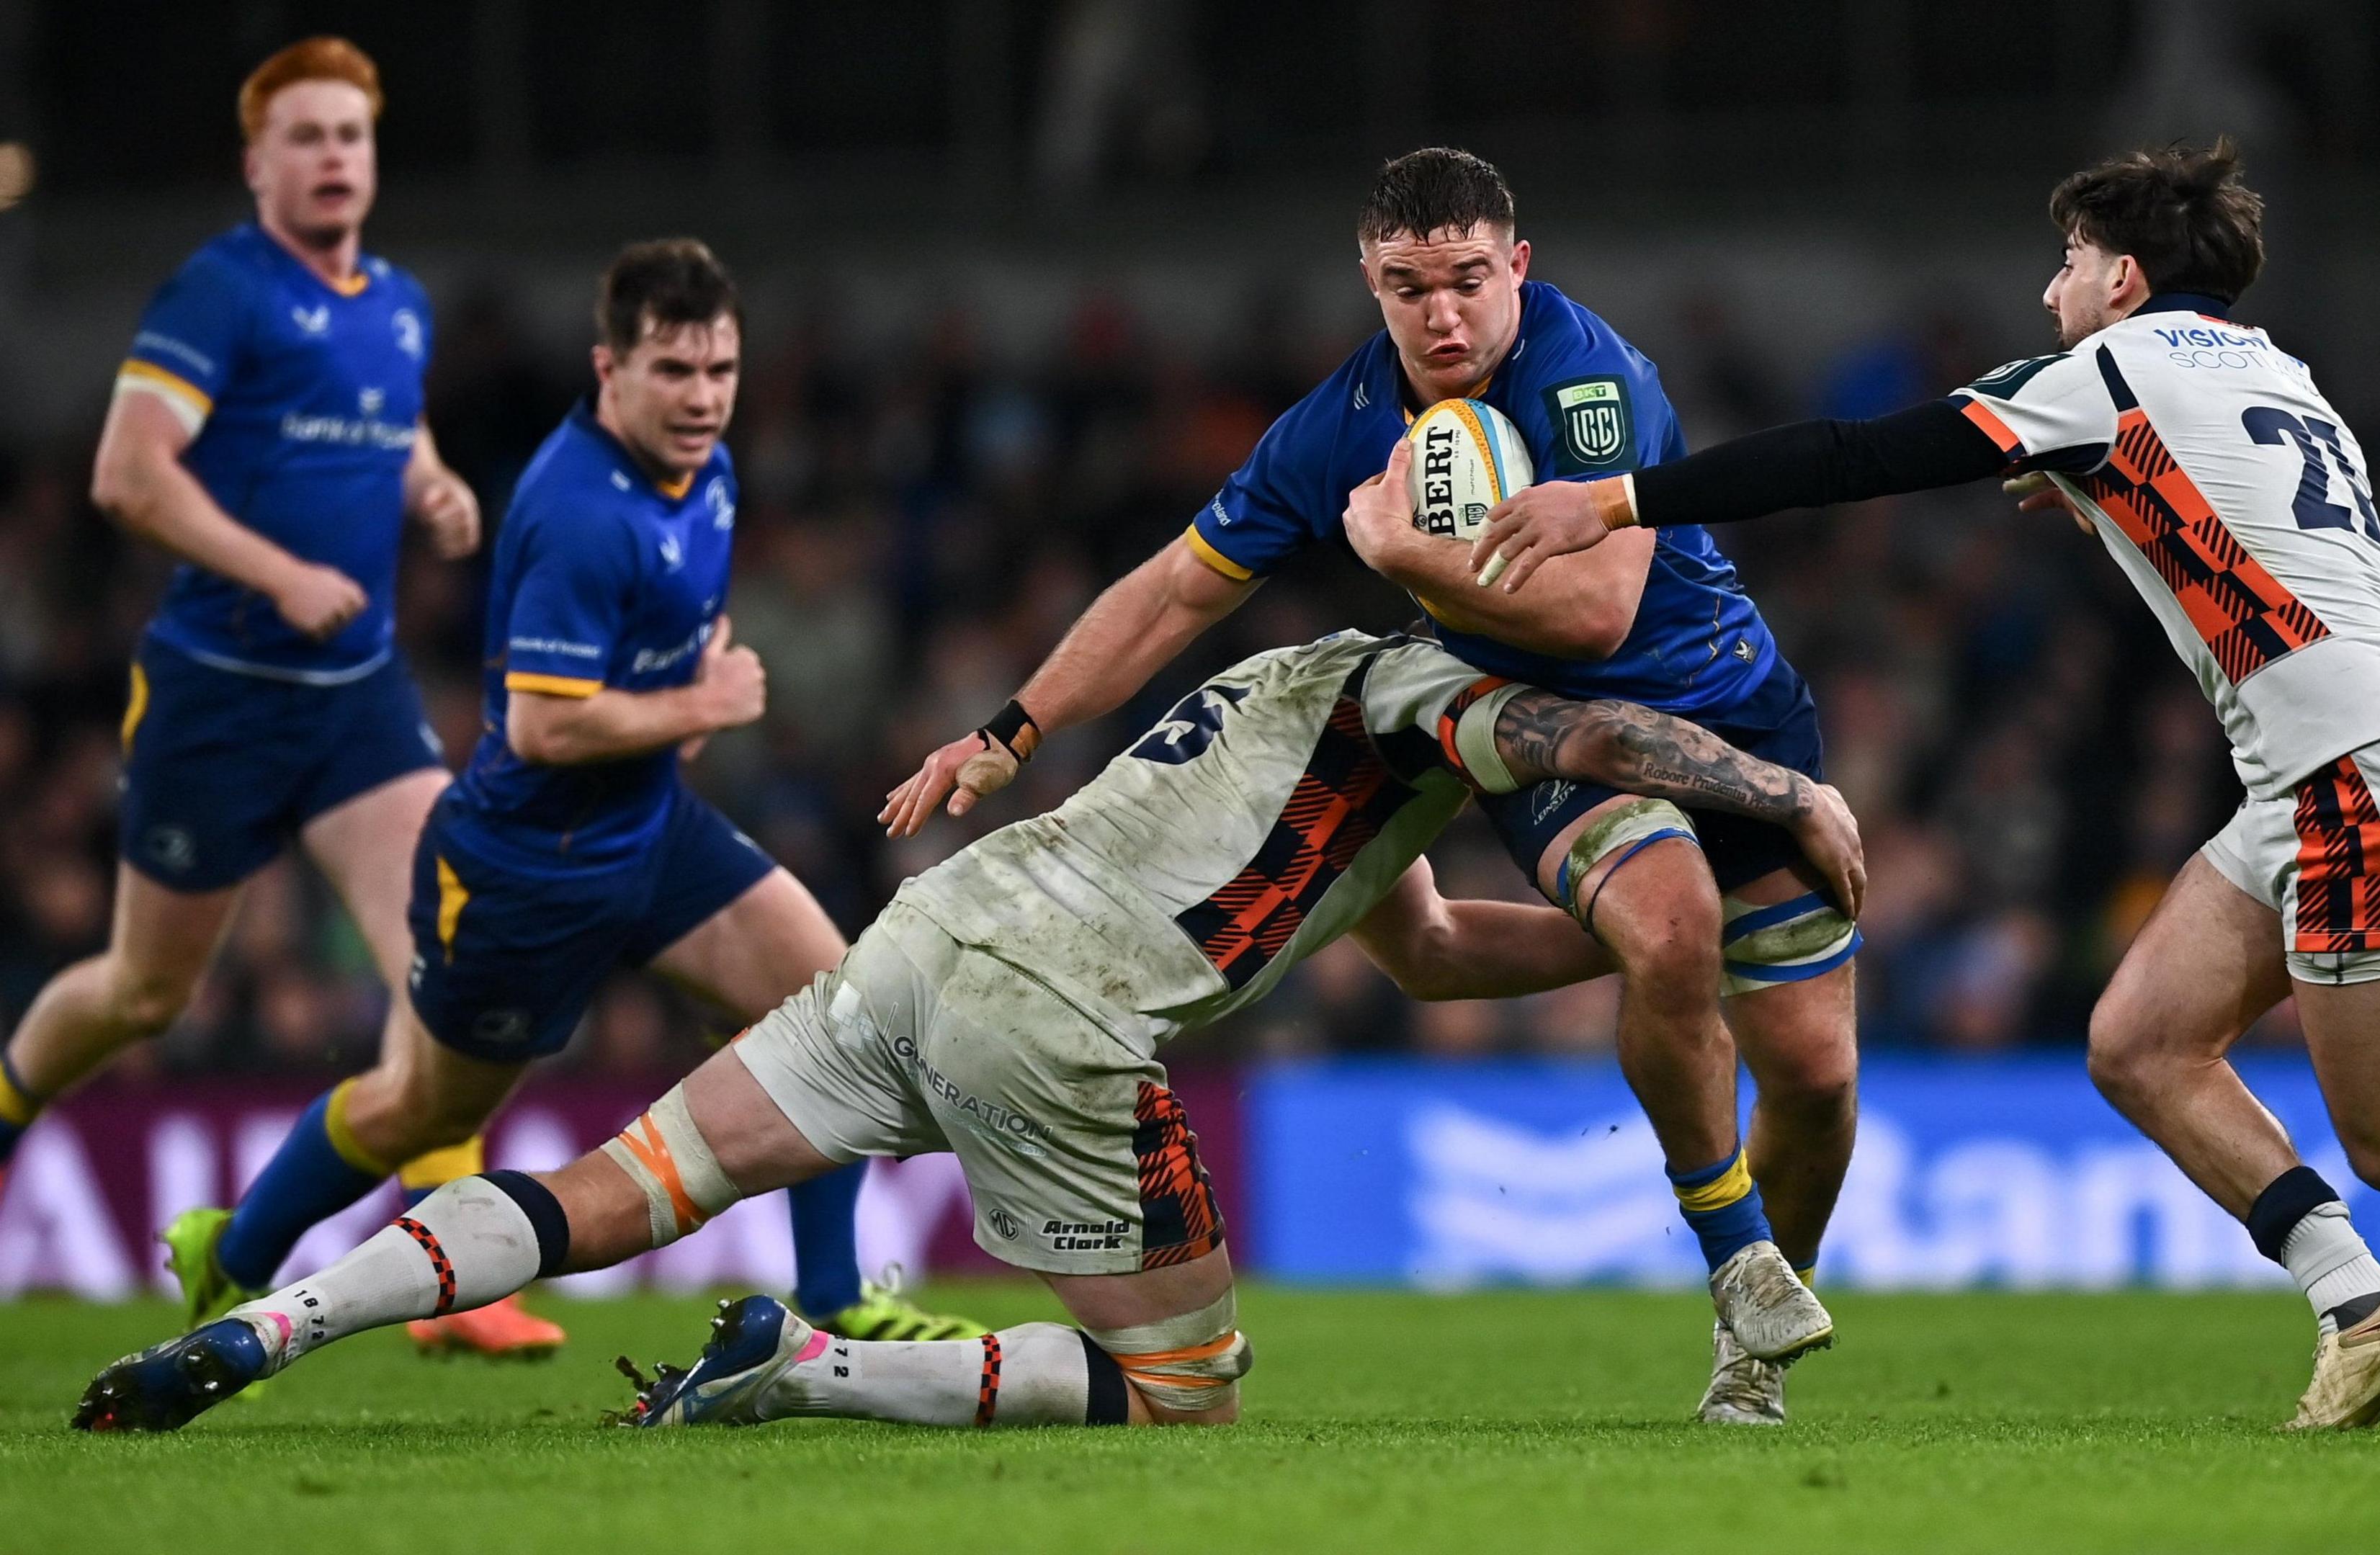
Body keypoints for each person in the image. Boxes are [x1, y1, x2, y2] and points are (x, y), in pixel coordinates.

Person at [1468, 138, 2380, 1431]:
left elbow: (1853, 456)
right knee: (2138, 1044)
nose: (2049, 292)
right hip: (2335, 769)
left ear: (2124, 280)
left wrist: (1620, 500)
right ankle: (2362, 1307)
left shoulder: (2109, 370)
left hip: (2358, 781)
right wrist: (2101, 495)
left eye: (2068, 262)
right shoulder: (2277, 370)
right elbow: (2245, 525)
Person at [74, 628, 1866, 1435]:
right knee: (1190, 1393)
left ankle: (273, 1327)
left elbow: (1427, 953)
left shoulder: (1289, 697)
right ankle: (811, 1368)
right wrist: (1781, 788)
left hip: (933, 938)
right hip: (1059, 1020)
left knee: (621, 1181)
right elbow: (1599, 748)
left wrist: (1629, 943)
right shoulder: (1424, 684)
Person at [890, 148, 1859, 1423]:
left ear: (1518, 265)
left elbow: (1599, 606)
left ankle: (1751, 1325)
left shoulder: (1589, 375)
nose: (1443, 315)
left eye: (1467, 280)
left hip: (1732, 707)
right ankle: (1740, 1269)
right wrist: (1013, 727)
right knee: (1668, 926)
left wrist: (1407, 553)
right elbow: (1180, 588)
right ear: (1372, 282)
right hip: (1545, 734)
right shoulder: (1336, 425)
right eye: (1410, 288)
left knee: (1815, 1076)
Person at [160, 239, 978, 1357]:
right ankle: (233, 1256)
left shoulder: (711, 471)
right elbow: (544, 725)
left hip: (651, 829)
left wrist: (685, 684)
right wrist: (699, 701)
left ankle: (834, 1303)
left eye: (718, 372)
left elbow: (666, 634)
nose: (701, 399)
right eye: (673, 373)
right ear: (610, 368)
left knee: (827, 996)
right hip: (528, 864)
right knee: (422, 1110)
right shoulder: (581, 509)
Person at [0, 37, 513, 1343]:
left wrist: (433, 483)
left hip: (355, 696)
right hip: (218, 696)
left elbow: (385, 427)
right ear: (257, 163)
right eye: (308, 136)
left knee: (439, 949)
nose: (335, 156)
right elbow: (128, 473)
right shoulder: (217, 292)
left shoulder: (395, 300)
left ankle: (444, 1286)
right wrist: (276, 573)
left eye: (353, 135)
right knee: (141, 994)